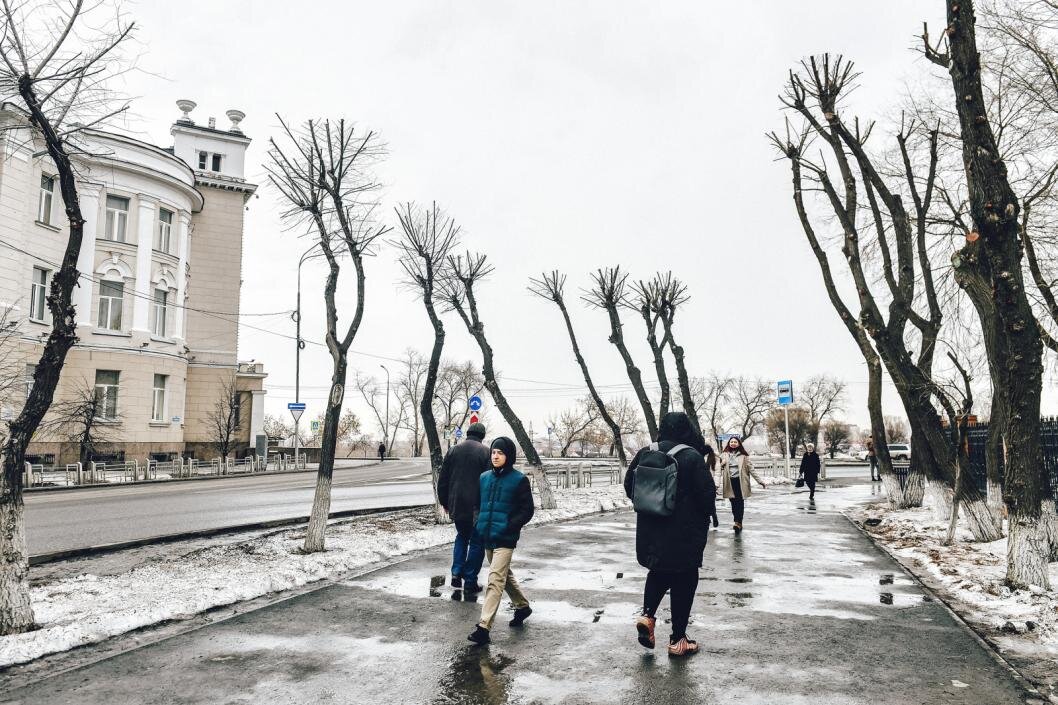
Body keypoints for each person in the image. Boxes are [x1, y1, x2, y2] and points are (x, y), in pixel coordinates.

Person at [624, 412, 716, 657]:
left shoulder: (646, 452)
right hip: (684, 534)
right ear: (687, 429)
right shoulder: (691, 456)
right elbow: (707, 495)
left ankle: (648, 616)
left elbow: (628, 487)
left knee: (658, 572)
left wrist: (652, 506)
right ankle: (678, 640)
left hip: (651, 531)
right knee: (685, 580)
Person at [467, 437, 535, 646]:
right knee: (504, 575)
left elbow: (527, 510)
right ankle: (522, 607)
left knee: (495, 579)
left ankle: (483, 627)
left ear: (509, 456)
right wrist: (478, 522)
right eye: (494, 452)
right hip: (487, 535)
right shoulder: (484, 478)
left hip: (505, 537)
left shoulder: (518, 480)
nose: (495, 456)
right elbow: (477, 504)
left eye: (500, 453)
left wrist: (509, 525)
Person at [437, 422, 490, 593]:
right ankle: (470, 580)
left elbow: (443, 479)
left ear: (468, 433)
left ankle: (456, 574)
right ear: (482, 436)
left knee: (461, 537)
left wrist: (445, 502)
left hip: (457, 503)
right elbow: (489, 482)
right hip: (477, 505)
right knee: (476, 541)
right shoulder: (486, 452)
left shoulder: (453, 450)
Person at [718, 437, 766, 532]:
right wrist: (722, 464)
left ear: (739, 444)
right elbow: (717, 468)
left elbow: (751, 469)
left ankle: (738, 522)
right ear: (729, 443)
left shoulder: (744, 456)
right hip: (729, 482)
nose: (733, 443)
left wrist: (760, 481)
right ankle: (737, 521)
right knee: (733, 502)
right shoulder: (724, 455)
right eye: (731, 442)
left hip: (740, 482)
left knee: (739, 502)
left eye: (735, 442)